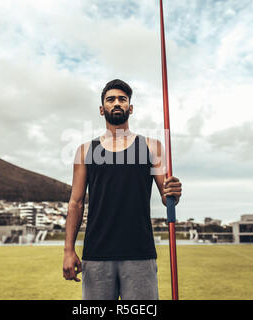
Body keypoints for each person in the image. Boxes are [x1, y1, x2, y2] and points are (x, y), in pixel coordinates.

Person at [62, 79, 182, 300]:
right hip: (97, 254)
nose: (117, 103)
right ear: (102, 109)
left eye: (122, 99)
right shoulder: (85, 151)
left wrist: (173, 191)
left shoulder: (152, 146)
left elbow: (167, 197)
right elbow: (76, 203)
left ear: (130, 107)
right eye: (111, 99)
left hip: (139, 253)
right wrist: (68, 250)